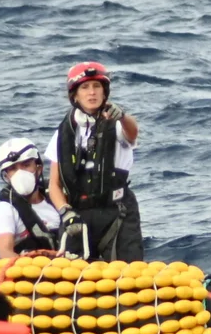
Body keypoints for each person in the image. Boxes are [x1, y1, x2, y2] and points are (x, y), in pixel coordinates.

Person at [46, 61, 142, 261]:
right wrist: (65, 213)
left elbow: (132, 134)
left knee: (129, 274)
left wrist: (122, 116)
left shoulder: (117, 124)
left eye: (97, 86)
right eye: (85, 87)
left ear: (105, 91)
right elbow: (54, 185)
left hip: (117, 211)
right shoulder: (63, 134)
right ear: (75, 95)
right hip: (77, 215)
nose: (92, 93)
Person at [0, 137, 61, 258]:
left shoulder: (56, 200)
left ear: (38, 168)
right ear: (6, 177)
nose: (20, 173)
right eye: (13, 169)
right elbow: (5, 252)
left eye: (26, 165)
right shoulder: (4, 210)